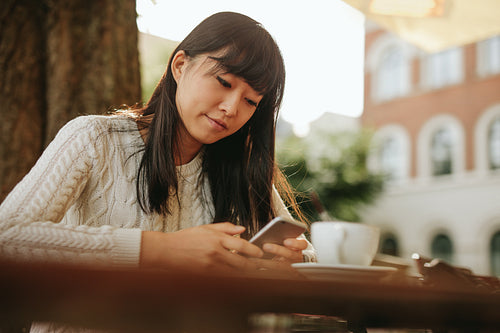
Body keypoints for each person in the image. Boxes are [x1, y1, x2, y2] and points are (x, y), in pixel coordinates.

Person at [0, 11, 315, 278]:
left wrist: (295, 261)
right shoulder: (94, 139)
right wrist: (158, 249)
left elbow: (311, 258)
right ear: (180, 65)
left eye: (250, 101)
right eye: (223, 82)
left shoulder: (240, 167)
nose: (232, 108)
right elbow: (6, 238)